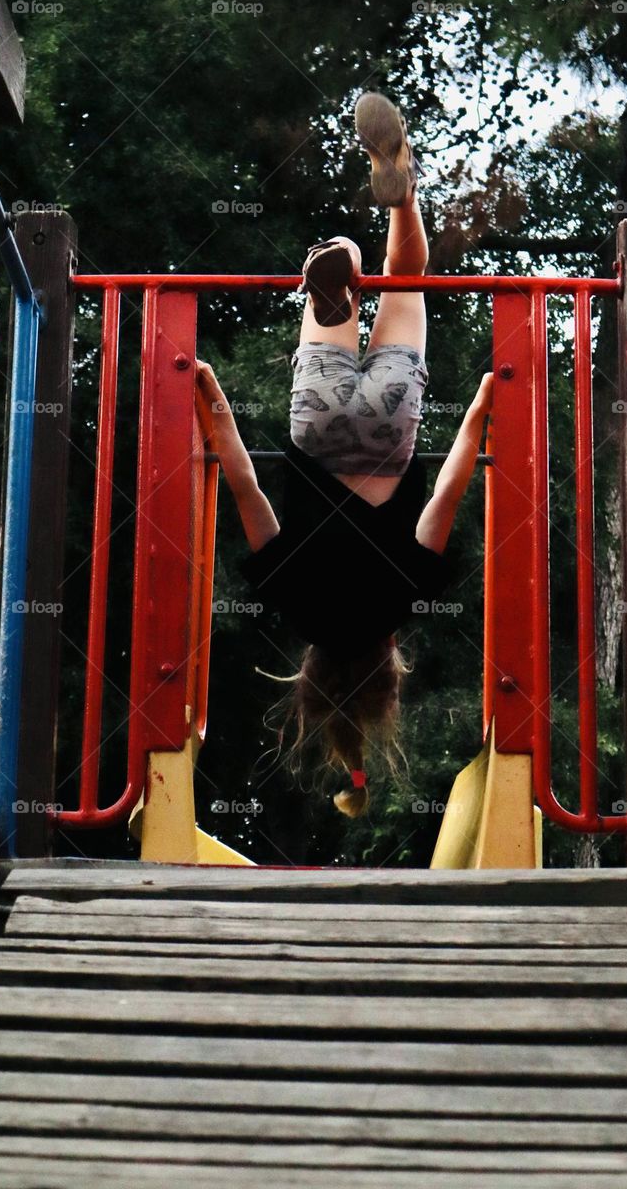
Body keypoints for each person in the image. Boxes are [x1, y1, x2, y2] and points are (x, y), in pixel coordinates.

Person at [198, 92, 493, 816]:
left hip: (389, 434)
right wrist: (211, 401)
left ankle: (399, 196)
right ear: (310, 670)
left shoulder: (403, 599)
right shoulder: (291, 606)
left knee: (407, 277)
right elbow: (246, 492)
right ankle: (335, 276)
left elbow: (449, 491)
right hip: (319, 428)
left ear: (389, 666)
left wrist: (483, 407)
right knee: (345, 266)